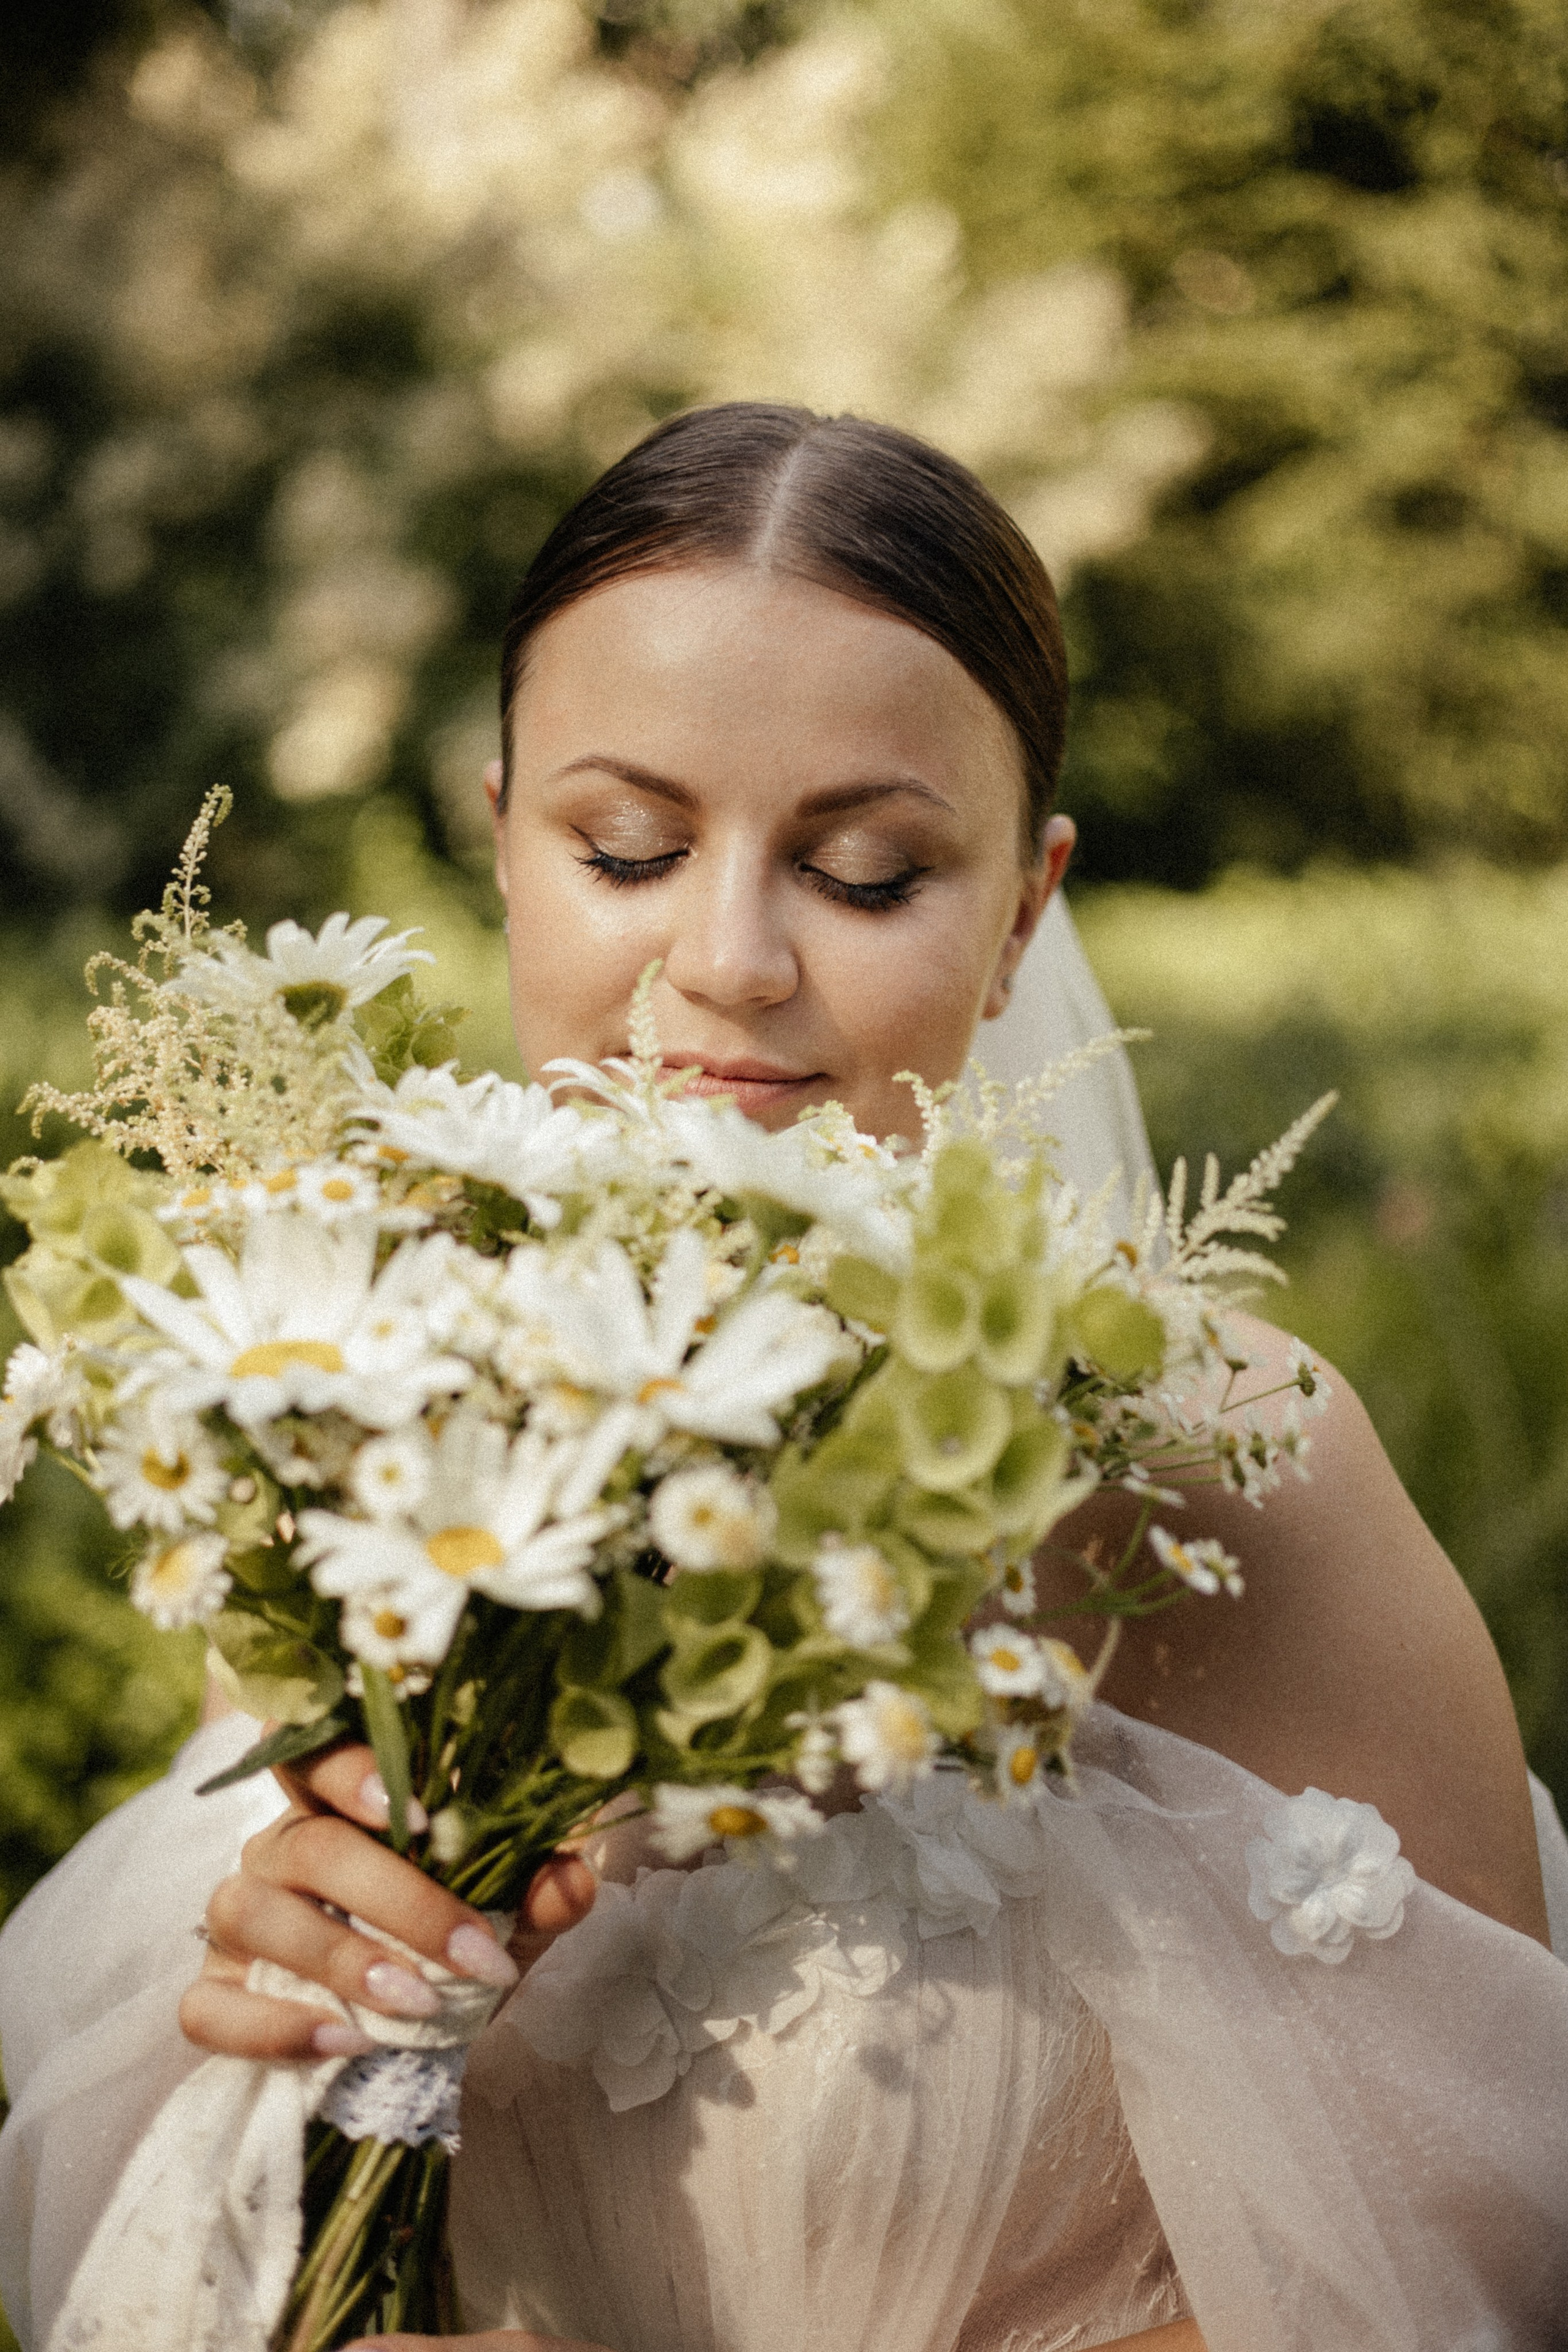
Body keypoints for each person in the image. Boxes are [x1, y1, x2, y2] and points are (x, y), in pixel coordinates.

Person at [2, 403, 1566, 2352]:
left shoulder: (1221, 1469)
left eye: (869, 871)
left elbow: (1462, 2280)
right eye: (631, 847)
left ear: (1022, 913)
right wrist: (293, 2046)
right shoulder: (378, 1412)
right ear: (503, 843)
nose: (730, 959)